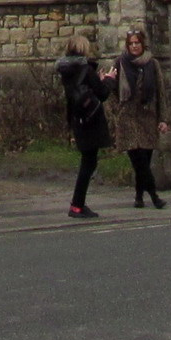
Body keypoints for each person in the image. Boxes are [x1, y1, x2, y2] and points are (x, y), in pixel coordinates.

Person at [57, 35, 116, 218]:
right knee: (88, 162)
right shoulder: (85, 69)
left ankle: (78, 204)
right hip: (91, 120)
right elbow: (103, 93)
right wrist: (109, 79)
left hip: (78, 119)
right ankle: (77, 205)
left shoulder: (67, 71)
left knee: (88, 160)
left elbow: (78, 91)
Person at [112, 27, 168, 209]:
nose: (134, 46)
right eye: (131, 43)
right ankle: (154, 196)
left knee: (145, 159)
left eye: (137, 43)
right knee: (138, 160)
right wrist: (116, 112)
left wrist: (163, 119)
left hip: (147, 117)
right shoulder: (120, 62)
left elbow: (160, 93)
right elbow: (110, 90)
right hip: (128, 117)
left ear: (143, 44)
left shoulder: (152, 64)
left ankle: (138, 196)